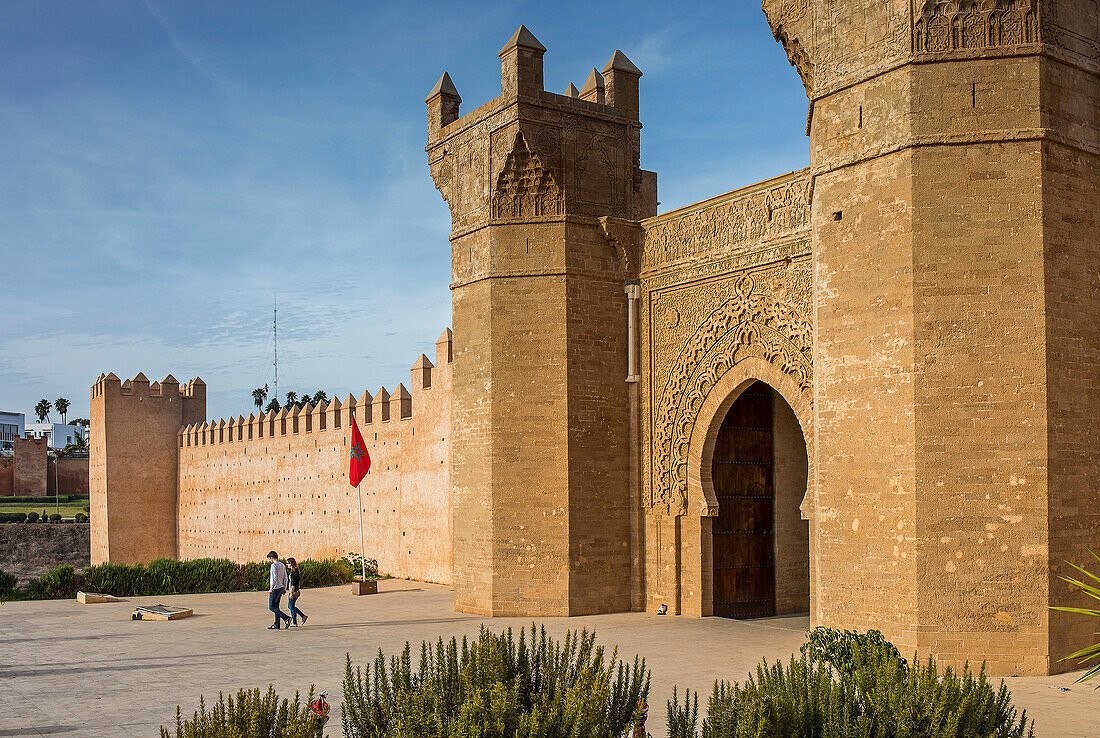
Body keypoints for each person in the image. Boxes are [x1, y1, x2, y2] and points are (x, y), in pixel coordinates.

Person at [267, 550, 291, 630]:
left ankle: (286, 618)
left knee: (271, 607)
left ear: (271, 557)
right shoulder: (282, 565)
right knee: (276, 607)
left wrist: (271, 589)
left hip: (275, 588)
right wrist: (284, 588)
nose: (269, 561)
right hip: (280, 588)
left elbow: (274, 578)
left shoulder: (274, 566)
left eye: (269, 559)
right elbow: (285, 577)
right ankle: (277, 624)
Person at [286, 557, 308, 626]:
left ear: (290, 563)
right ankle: (302, 616)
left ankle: (295, 622)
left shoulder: (293, 572)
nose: (287, 564)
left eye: (287, 563)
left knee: (291, 607)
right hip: (296, 591)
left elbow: (293, 583)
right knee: (290, 606)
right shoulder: (296, 571)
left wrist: (291, 593)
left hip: (294, 591)